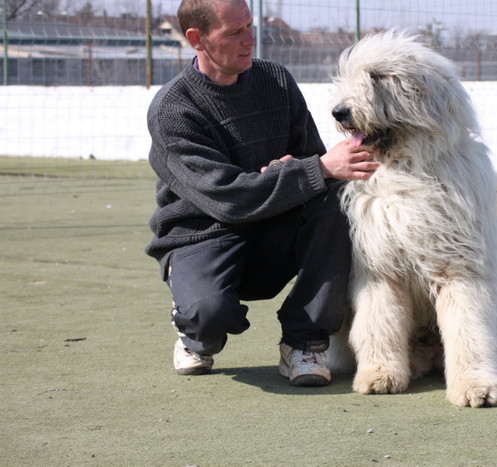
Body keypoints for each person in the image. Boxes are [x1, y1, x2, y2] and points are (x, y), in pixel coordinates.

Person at [145, 0, 379, 387]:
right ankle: (195, 330)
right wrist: (309, 170)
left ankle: (305, 343)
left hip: (273, 227)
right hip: (203, 236)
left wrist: (302, 169)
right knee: (210, 313)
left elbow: (313, 162)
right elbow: (227, 199)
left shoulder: (276, 81)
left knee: (335, 202)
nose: (249, 39)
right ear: (196, 39)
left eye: (250, 26)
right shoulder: (172, 110)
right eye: (234, 33)